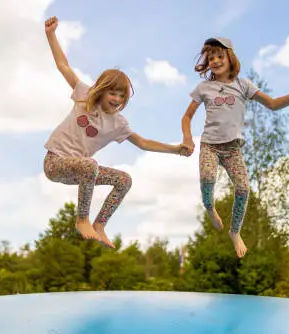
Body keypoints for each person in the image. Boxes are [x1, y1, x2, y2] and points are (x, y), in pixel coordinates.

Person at [43, 16, 191, 248]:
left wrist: (175, 150)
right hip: (55, 163)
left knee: (124, 179)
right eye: (113, 94)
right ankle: (82, 219)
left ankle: (100, 225)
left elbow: (142, 142)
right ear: (101, 90)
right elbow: (63, 66)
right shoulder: (84, 94)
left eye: (122, 96)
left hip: (81, 172)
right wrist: (51, 35)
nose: (117, 100)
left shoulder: (119, 124)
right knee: (90, 164)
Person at [181, 37, 289, 258]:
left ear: (230, 57)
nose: (214, 61)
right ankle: (209, 206)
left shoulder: (243, 85)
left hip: (233, 148)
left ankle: (235, 232)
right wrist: (187, 138)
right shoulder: (204, 87)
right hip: (210, 146)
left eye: (219, 56)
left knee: (243, 189)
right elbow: (187, 116)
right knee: (207, 177)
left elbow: (271, 104)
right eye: (210, 57)